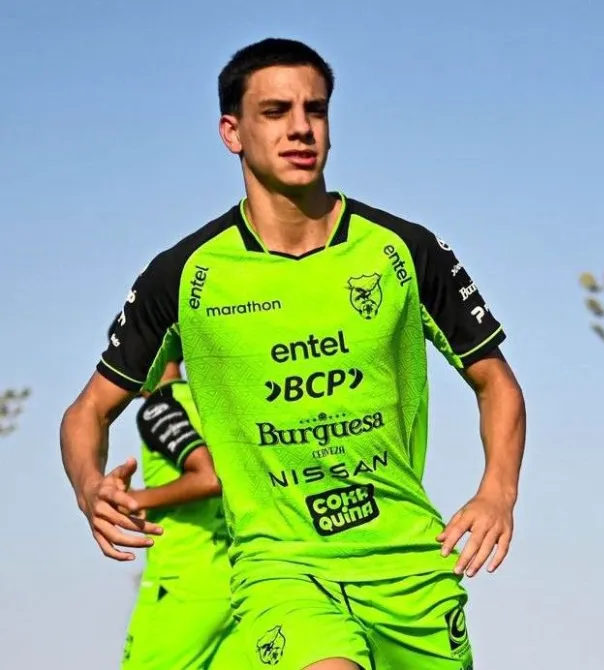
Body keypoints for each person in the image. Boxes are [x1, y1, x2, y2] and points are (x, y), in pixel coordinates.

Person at [60, 37, 526, 670]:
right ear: (232, 132)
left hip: (412, 568)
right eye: (275, 111)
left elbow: (497, 383)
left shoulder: (405, 250)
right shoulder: (184, 274)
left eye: (316, 109)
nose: (301, 128)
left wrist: (497, 491)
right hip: (281, 569)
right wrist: (90, 486)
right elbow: (87, 412)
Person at [114, 336, 245, 669]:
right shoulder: (214, 406)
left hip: (183, 582)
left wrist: (138, 499)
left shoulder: (159, 407)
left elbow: (208, 478)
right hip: (235, 581)